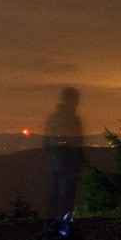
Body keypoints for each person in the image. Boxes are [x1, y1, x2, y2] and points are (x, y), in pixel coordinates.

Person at [44, 87, 86, 218]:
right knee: (66, 197)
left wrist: (49, 156)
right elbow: (75, 142)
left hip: (53, 160)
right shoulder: (72, 118)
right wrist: (78, 160)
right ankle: (64, 230)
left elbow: (45, 140)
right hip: (67, 160)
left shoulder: (53, 117)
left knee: (54, 196)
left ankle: (51, 229)